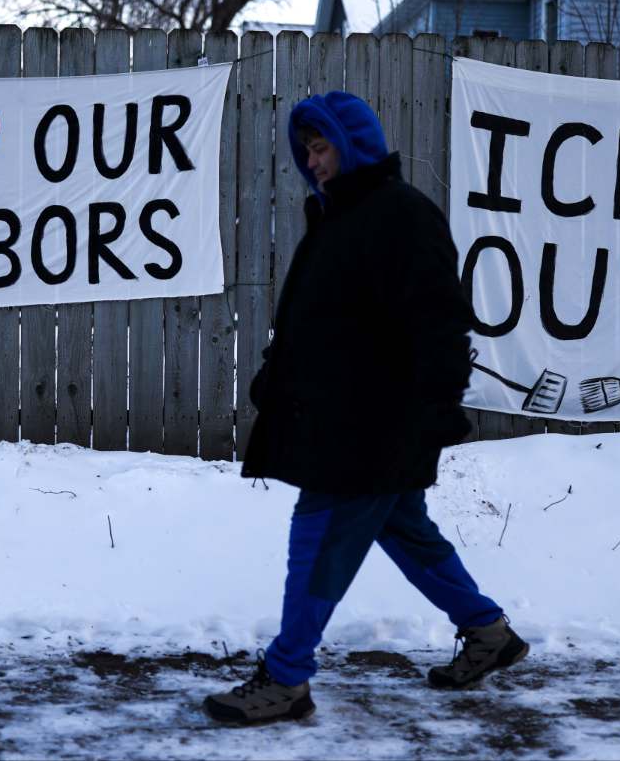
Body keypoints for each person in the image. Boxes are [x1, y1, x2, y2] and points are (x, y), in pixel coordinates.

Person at [203, 91, 527, 726]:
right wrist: (280, 375)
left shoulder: (402, 216)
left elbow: (440, 324)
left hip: (375, 422)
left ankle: (287, 676)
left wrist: (433, 411)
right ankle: (487, 630)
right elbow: (324, 320)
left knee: (317, 534)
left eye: (321, 147)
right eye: (307, 150)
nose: (312, 160)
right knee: (403, 528)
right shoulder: (338, 216)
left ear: (353, 145)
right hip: (341, 414)